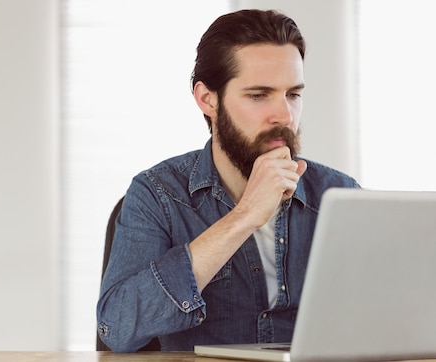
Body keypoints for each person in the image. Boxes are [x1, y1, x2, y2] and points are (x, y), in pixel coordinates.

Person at [96, 9, 360, 352]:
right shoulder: (157, 194)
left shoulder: (339, 195)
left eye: (293, 94)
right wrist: (245, 215)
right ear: (208, 99)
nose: (284, 115)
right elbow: (117, 327)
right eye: (258, 95)